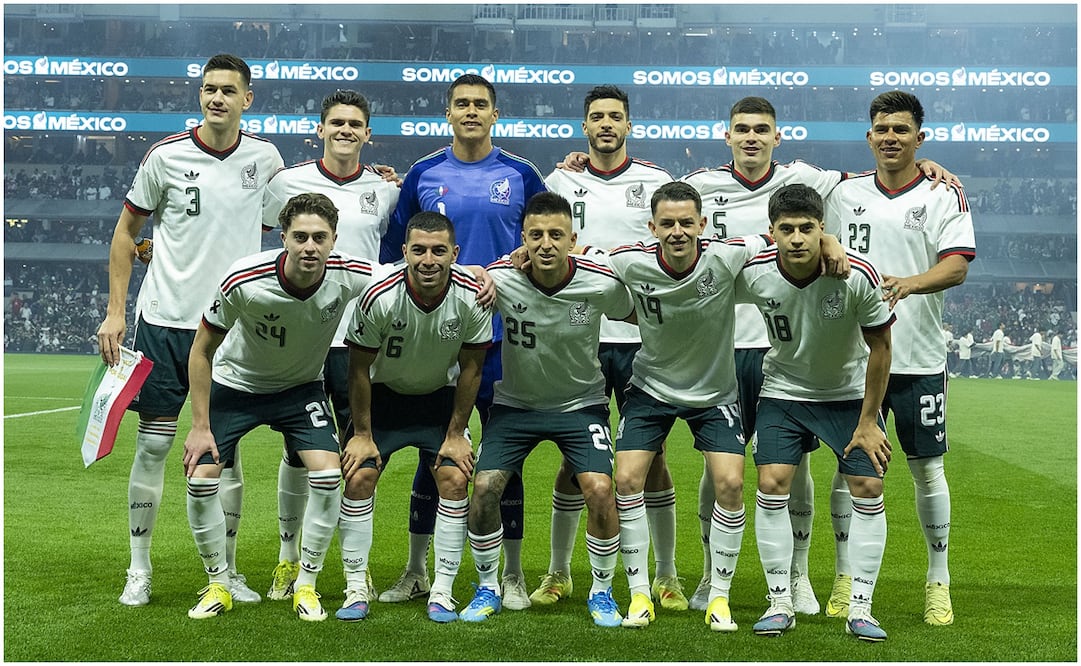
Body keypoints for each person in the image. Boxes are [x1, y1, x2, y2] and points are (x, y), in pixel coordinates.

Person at [680, 96, 958, 613]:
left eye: (762, 129)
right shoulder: (699, 185)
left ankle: (801, 578)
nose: (751, 137)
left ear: (777, 137)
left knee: (795, 467)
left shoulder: (811, 179)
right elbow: (672, 233)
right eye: (741, 128)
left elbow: (875, 176)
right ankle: (708, 578)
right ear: (727, 135)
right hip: (721, 349)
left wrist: (922, 169)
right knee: (719, 467)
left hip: (789, 351)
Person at [602, 181, 843, 632]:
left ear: (703, 225)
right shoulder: (627, 259)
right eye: (668, 223)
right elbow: (575, 260)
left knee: (731, 484)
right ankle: (638, 594)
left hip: (715, 394)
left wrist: (828, 239)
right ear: (652, 226)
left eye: (686, 223)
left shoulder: (727, 253)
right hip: (651, 388)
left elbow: (779, 238)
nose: (677, 231)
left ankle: (719, 597)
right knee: (627, 479)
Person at [96, 53, 284, 607]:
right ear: (199, 95)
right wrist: (114, 311)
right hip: (166, 324)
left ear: (247, 100)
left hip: (230, 330)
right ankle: (139, 568)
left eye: (228, 90)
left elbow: (295, 210)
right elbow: (126, 233)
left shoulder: (266, 159)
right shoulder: (165, 157)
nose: (216, 97)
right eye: (208, 89)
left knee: (226, 454)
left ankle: (226, 573)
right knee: (153, 447)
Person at [376, 74, 546, 610]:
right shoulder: (424, 173)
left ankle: (512, 574)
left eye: (480, 105)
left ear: (495, 114)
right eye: (461, 105)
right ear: (447, 113)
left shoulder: (521, 174)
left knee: (501, 456)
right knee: (436, 452)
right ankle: (415, 569)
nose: (470, 112)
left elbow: (545, 242)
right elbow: (394, 249)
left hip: (499, 340)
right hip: (433, 338)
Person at [181, 192, 379, 621]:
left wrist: (478, 270)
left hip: (300, 389)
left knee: (328, 476)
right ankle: (218, 582)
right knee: (200, 479)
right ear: (284, 238)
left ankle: (305, 585)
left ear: (334, 240)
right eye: (301, 237)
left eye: (320, 238)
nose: (310, 247)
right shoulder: (242, 280)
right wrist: (199, 426)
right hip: (236, 386)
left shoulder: (350, 274)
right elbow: (201, 351)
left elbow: (408, 275)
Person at [532, 85, 688, 611]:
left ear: (628, 125)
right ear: (584, 126)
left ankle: (665, 577)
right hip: (579, 339)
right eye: (596, 116)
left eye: (614, 117)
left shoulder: (656, 182)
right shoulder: (561, 179)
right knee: (574, 463)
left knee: (654, 460)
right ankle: (558, 573)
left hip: (642, 339)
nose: (605, 124)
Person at [825, 90, 975, 627]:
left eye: (901, 130)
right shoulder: (840, 193)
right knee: (850, 473)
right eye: (882, 129)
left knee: (927, 470)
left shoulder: (944, 193)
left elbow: (957, 266)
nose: (891, 137)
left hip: (918, 356)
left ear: (920, 138)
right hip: (854, 359)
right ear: (869, 137)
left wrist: (909, 284)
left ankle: (939, 580)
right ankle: (844, 576)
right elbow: (776, 188)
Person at [459, 191, 633, 627]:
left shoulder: (599, 280)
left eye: (557, 235)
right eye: (535, 235)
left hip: (581, 405)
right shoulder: (503, 277)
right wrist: (484, 269)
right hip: (515, 405)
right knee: (483, 491)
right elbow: (459, 279)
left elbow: (639, 311)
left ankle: (601, 590)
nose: (546, 244)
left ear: (573, 239)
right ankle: (487, 586)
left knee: (598, 490)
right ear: (523, 238)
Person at [737, 183, 895, 641]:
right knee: (771, 483)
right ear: (772, 233)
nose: (797, 238)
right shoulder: (755, 272)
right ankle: (780, 600)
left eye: (808, 229)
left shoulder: (856, 274)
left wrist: (869, 420)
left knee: (867, 484)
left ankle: (861, 607)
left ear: (822, 229)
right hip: (783, 391)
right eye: (786, 229)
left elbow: (881, 347)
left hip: (848, 396)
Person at [260, 89, 399, 602]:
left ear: (367, 133)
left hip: (358, 341)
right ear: (320, 129)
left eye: (355, 123)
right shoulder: (286, 183)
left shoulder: (384, 192)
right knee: (298, 451)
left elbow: (390, 256)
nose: (345, 129)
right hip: (300, 337)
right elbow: (258, 238)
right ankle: (287, 557)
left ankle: (351, 568)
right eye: (336, 122)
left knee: (357, 451)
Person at [338, 211, 492, 623]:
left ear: (454, 254)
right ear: (404, 252)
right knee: (359, 473)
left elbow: (472, 369)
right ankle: (356, 586)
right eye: (419, 250)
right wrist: (362, 434)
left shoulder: (472, 296)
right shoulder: (379, 296)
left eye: (439, 251)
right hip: (383, 399)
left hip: (438, 400)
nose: (428, 260)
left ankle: (440, 588)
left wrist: (457, 433)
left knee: (455, 476)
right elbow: (357, 370)